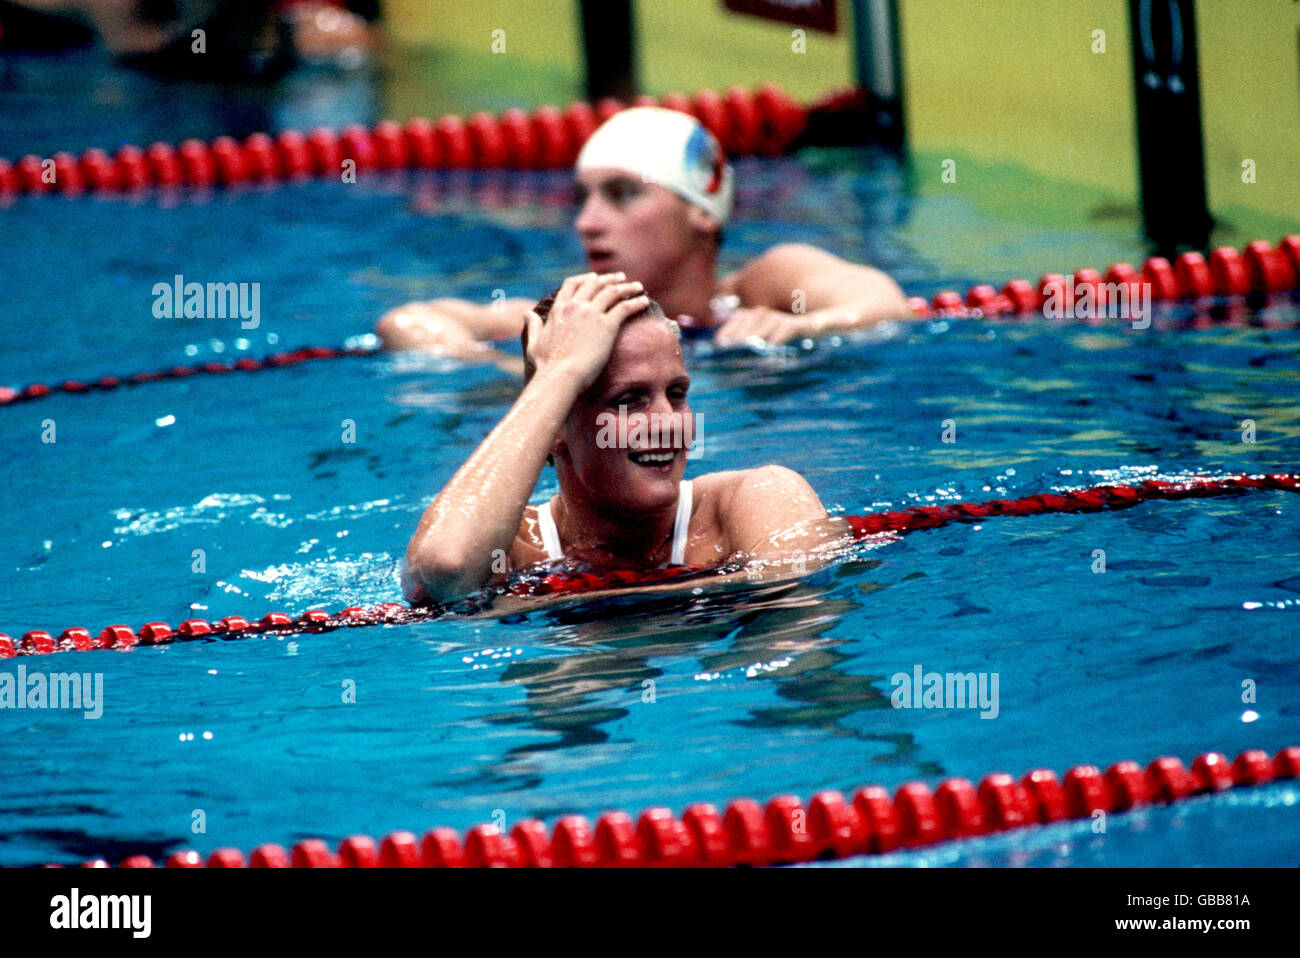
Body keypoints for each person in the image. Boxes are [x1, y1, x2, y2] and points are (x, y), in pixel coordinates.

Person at [402, 272, 848, 605]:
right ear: (557, 427)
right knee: (564, 686)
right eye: (630, 399)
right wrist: (558, 375)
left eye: (676, 394)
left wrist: (544, 603)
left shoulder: (751, 501)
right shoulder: (516, 548)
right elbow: (444, 570)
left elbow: (798, 605)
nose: (665, 422)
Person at [376, 106, 912, 364]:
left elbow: (885, 304)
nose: (587, 221)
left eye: (622, 194)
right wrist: (536, 370)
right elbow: (408, 323)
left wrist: (803, 326)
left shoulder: (763, 287)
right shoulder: (572, 321)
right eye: (584, 198)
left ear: (701, 212)